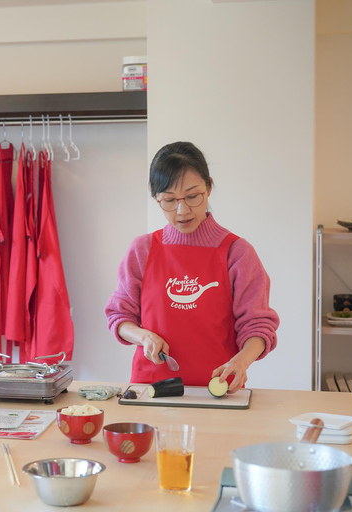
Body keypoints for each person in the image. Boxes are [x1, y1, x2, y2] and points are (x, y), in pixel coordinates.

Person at [105, 141, 279, 393]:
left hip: (218, 389)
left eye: (192, 196)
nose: (182, 210)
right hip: (152, 389)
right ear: (156, 198)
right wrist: (144, 337)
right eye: (169, 200)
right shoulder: (143, 250)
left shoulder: (237, 253)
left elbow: (258, 325)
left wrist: (242, 361)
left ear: (208, 187)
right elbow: (119, 316)